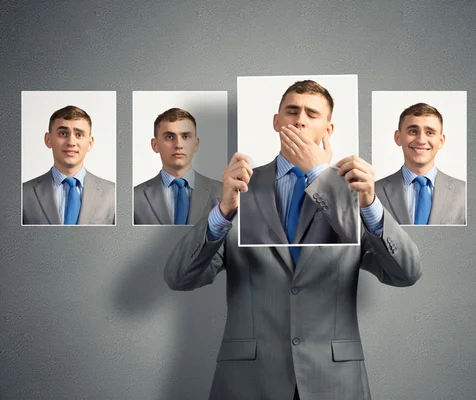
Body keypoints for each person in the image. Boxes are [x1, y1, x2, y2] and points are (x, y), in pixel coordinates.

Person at [164, 80, 422, 400]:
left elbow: (406, 272)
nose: (300, 119)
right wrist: (223, 211)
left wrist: (361, 201)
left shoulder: (355, 194)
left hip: (335, 381)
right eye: (292, 110)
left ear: (328, 129)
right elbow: (178, 277)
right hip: (249, 382)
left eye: (311, 113)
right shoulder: (236, 189)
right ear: (276, 121)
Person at [22, 105, 115, 225]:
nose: (71, 142)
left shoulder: (113, 194)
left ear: (90, 143)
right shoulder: (22, 194)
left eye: (79, 135)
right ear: (48, 139)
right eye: (63, 134)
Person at [375, 103, 466, 225]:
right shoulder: (373, 192)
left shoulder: (465, 192)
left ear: (441, 141)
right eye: (413, 131)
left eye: (429, 132)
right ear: (398, 137)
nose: (421, 140)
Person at [134, 108, 221, 225]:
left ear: (196, 144)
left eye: (185, 137)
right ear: (155, 145)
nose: (178, 145)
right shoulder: (134, 197)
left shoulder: (223, 192)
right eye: (169, 137)